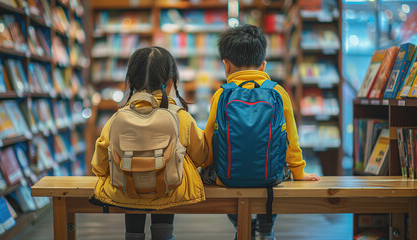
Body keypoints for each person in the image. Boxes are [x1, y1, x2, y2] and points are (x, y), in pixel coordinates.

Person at [201, 24, 321, 240]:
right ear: (263, 65)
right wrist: (299, 172)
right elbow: (291, 138)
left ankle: (241, 225)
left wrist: (204, 167)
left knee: (215, 175)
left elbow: (210, 139)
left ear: (226, 66)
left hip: (227, 177)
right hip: (270, 176)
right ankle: (266, 227)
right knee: (278, 173)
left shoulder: (221, 95)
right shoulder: (278, 92)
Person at [91, 47, 209, 240]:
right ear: (170, 81)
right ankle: (163, 235)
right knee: (168, 185)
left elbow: (99, 165)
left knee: (130, 190)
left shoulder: (117, 119)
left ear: (132, 81)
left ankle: (133, 235)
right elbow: (201, 156)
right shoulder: (181, 117)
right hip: (169, 191)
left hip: (126, 192)